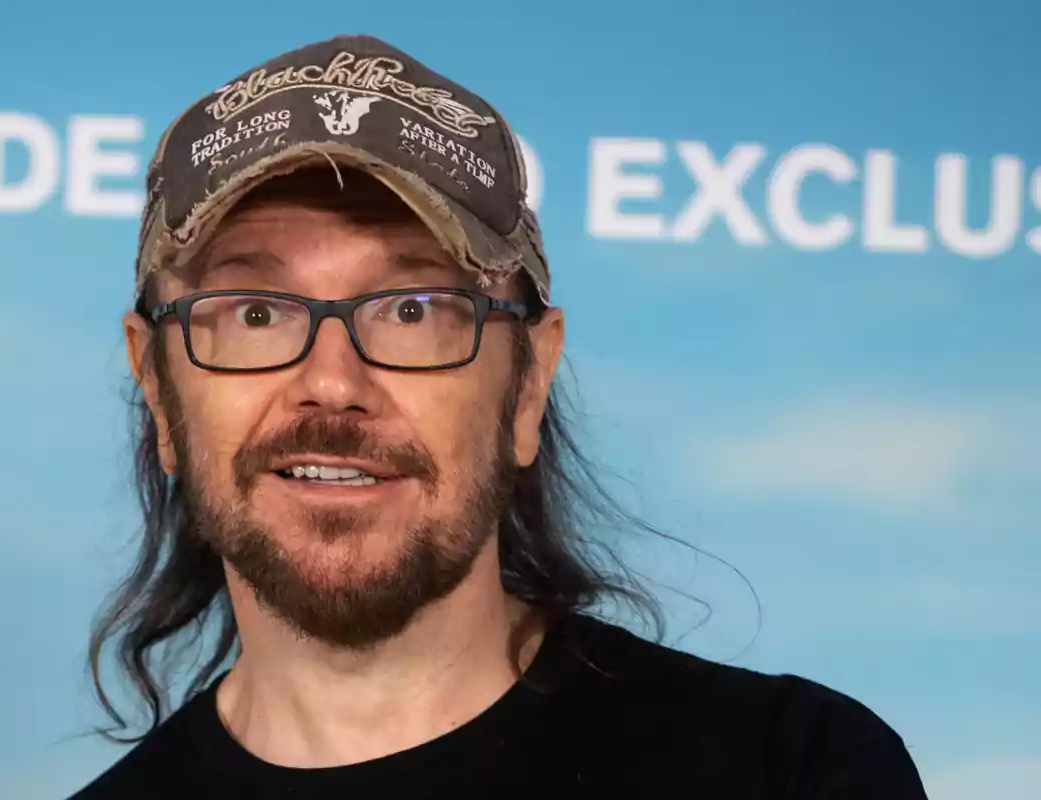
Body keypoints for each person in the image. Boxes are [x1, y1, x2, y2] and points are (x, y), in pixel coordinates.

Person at [71, 34, 928, 799]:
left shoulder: (794, 771)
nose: (332, 382)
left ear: (528, 384)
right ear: (157, 386)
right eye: (256, 313)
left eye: (413, 309)